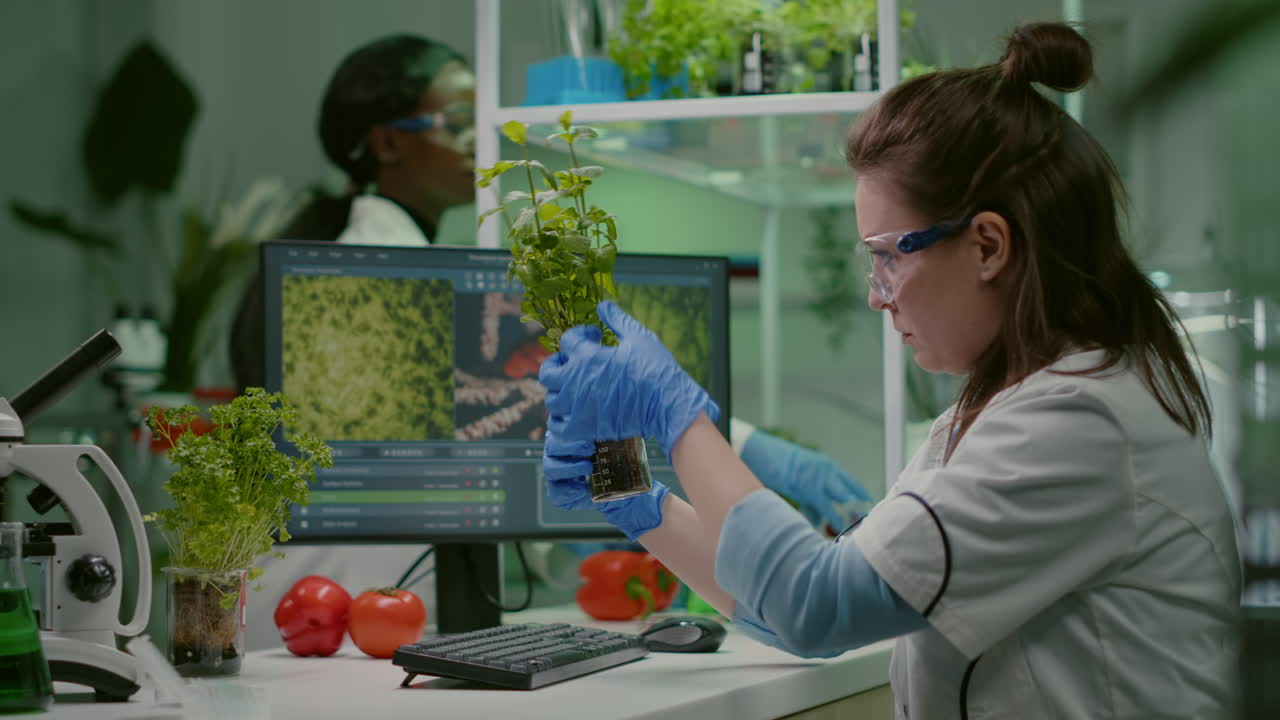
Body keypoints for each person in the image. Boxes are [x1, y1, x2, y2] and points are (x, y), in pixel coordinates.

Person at [538, 22, 1241, 719]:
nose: (876, 293)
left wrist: (676, 414)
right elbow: (791, 613)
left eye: (889, 254)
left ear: (988, 245)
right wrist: (632, 498)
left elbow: (817, 603)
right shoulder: (1003, 413)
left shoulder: (1080, 423)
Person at [231, 34, 868, 646]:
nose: (478, 140)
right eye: (456, 121)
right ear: (388, 142)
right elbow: (543, 396)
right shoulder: (372, 267)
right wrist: (744, 444)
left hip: (365, 606)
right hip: (327, 604)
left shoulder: (392, 253)